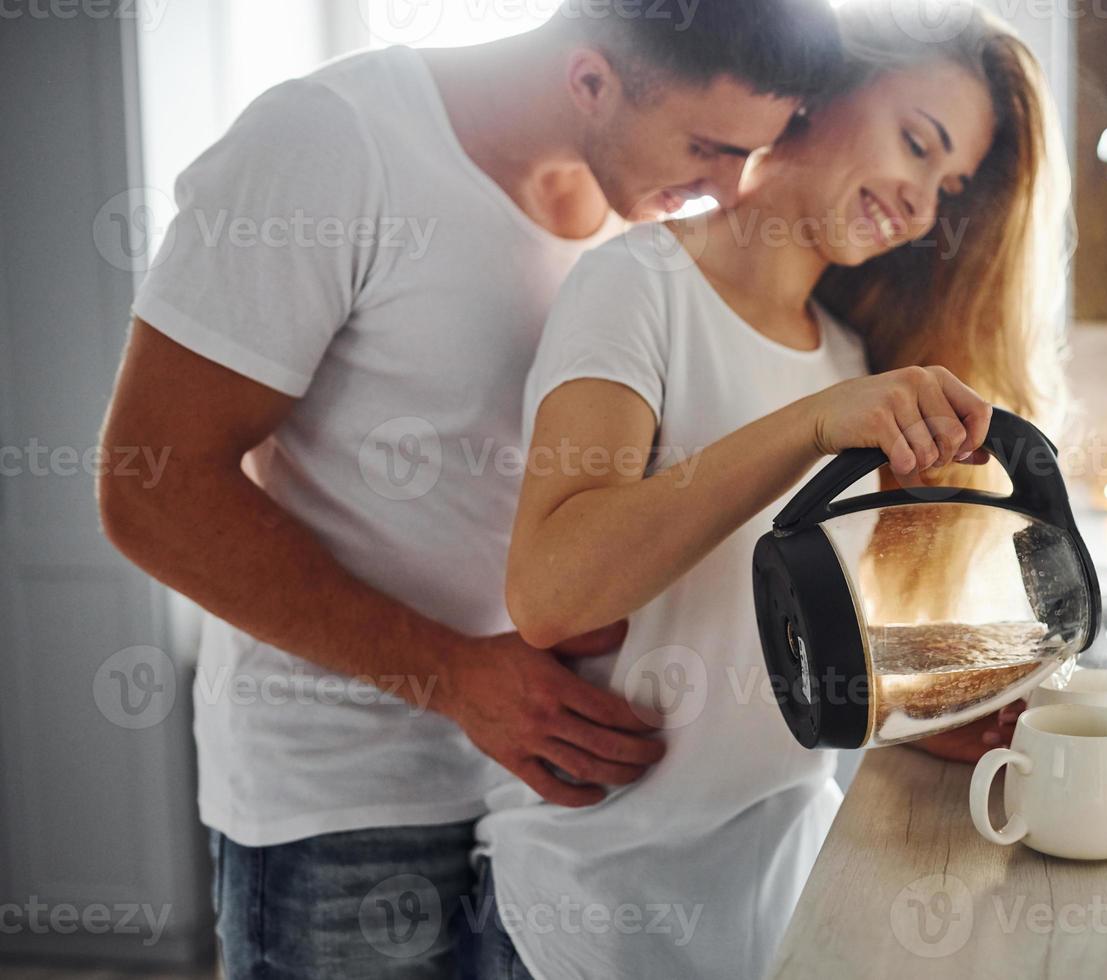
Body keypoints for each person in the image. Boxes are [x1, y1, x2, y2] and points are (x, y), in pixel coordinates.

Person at [95, 2, 841, 976]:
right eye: (708, 146)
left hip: (549, 808)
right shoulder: (329, 142)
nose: (729, 187)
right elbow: (151, 489)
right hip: (350, 811)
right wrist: (451, 675)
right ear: (589, 81)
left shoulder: (639, 215)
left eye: (753, 151)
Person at [478, 3, 1071, 977]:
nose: (921, 204)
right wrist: (810, 425)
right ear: (821, 94)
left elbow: (758, 641)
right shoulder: (637, 286)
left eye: (947, 185)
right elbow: (550, 590)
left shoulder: (846, 358)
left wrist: (909, 708)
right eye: (917, 144)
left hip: (781, 880)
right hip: (600, 899)